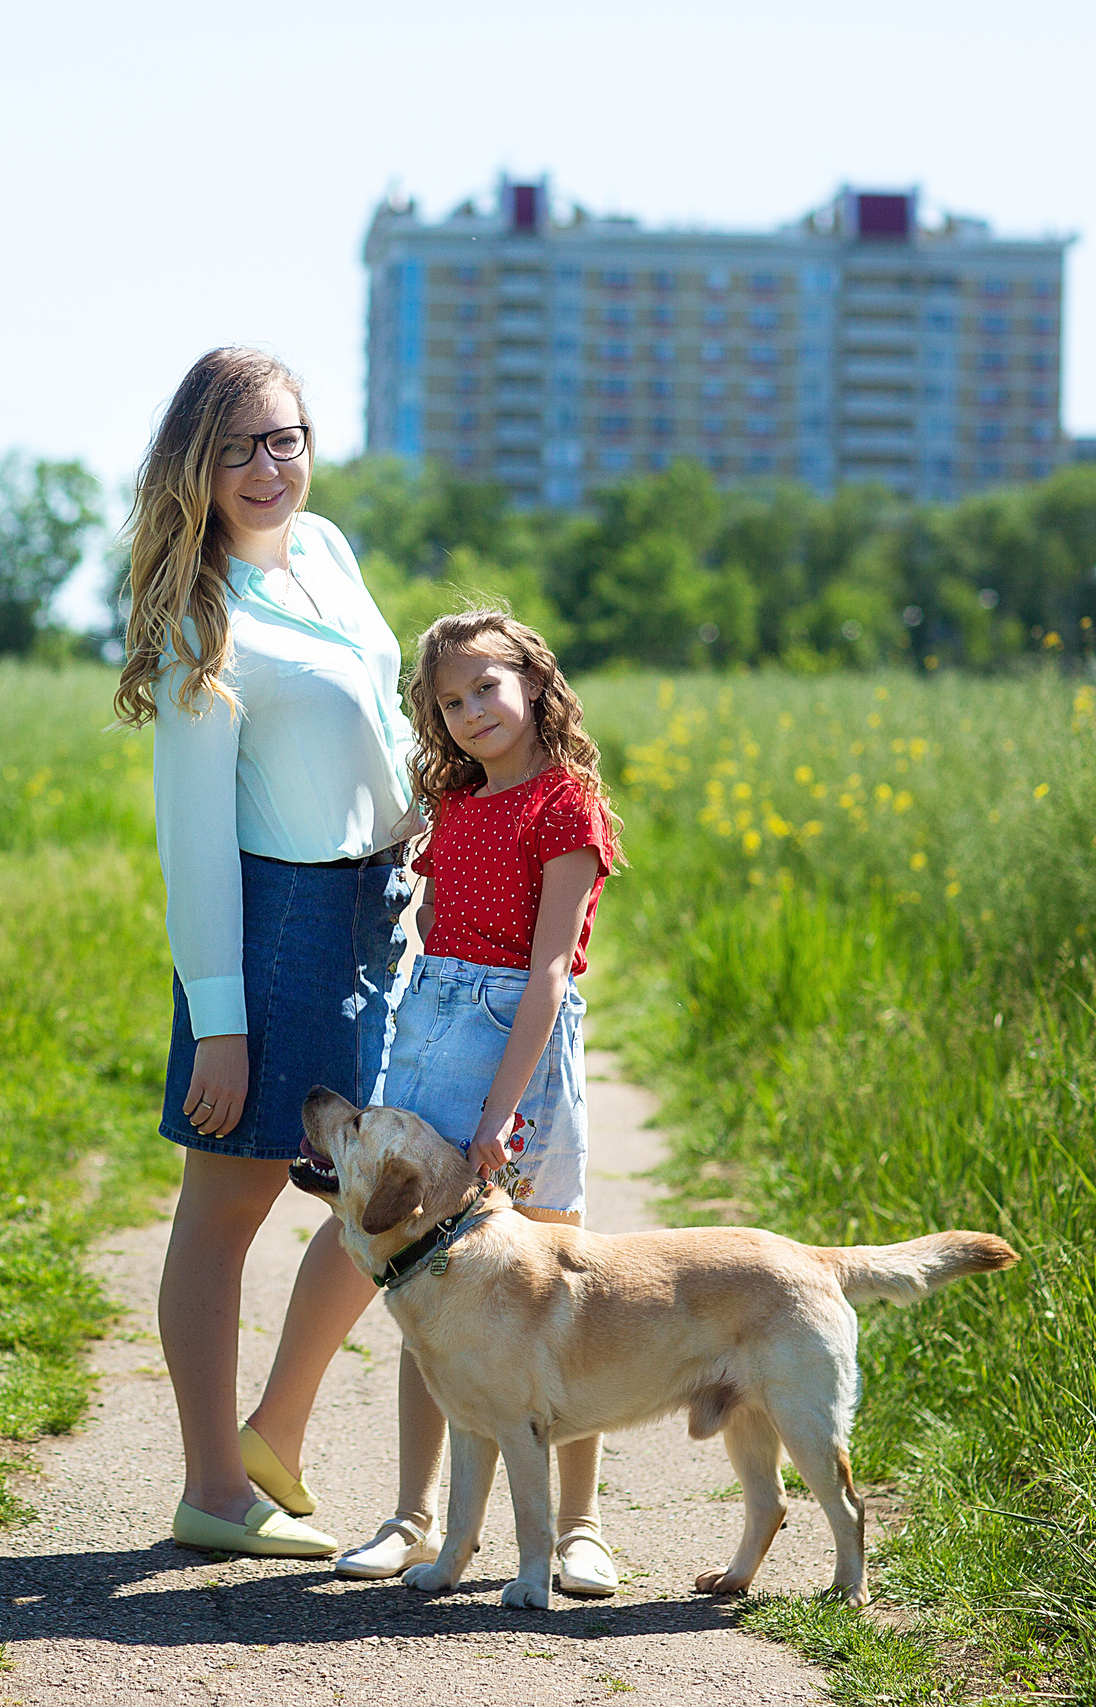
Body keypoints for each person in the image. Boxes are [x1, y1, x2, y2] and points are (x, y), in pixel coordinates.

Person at [114, 348, 418, 1557]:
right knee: (227, 1205)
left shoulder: (327, 549)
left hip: (378, 910)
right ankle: (214, 1490)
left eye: (282, 439)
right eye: (235, 447)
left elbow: (381, 716)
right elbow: (191, 843)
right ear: (195, 464)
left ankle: (275, 1429)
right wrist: (221, 1023)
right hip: (277, 920)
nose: (263, 467)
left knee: (389, 1191)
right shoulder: (201, 617)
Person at [331, 608, 627, 1598]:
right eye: (450, 701)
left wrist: (502, 1111)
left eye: (487, 686)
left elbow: (548, 971)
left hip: (519, 1045)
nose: (470, 711)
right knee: (425, 1285)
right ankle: (414, 1518)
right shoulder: (453, 802)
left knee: (558, 1278)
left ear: (534, 681)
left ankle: (579, 1528)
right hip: (432, 1029)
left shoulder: (564, 803)